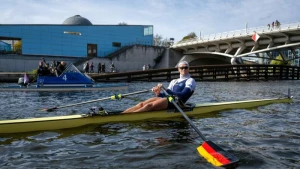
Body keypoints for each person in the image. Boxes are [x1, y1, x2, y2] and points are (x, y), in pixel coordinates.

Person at [122, 61, 196, 113]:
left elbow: (183, 95)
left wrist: (165, 89)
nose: (183, 69)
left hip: (178, 102)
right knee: (141, 104)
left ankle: (127, 118)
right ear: (178, 69)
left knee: (148, 106)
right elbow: (165, 95)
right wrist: (158, 93)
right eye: (181, 68)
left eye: (186, 68)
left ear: (188, 69)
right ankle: (122, 114)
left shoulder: (190, 80)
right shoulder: (174, 81)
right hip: (169, 99)